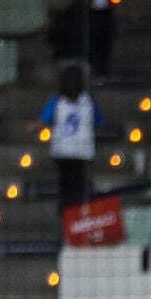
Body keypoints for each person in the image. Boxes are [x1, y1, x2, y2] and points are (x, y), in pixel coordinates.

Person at [33, 66, 102, 210]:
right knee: (81, 187)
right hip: (84, 152)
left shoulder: (57, 101)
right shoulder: (89, 101)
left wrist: (33, 127)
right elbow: (99, 121)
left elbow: (44, 120)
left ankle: (66, 218)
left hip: (63, 151)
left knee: (66, 188)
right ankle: (80, 217)